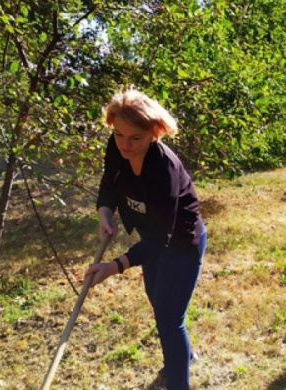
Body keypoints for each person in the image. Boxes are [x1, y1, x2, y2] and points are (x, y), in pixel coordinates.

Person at [84, 88, 206, 390]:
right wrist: (104, 212)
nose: (125, 144)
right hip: (152, 237)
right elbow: (109, 183)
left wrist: (115, 266)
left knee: (169, 317)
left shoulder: (164, 169)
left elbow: (160, 240)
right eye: (119, 135)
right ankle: (185, 355)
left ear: (153, 133)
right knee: (157, 299)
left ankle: (179, 381)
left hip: (180, 242)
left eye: (134, 138)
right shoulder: (117, 148)